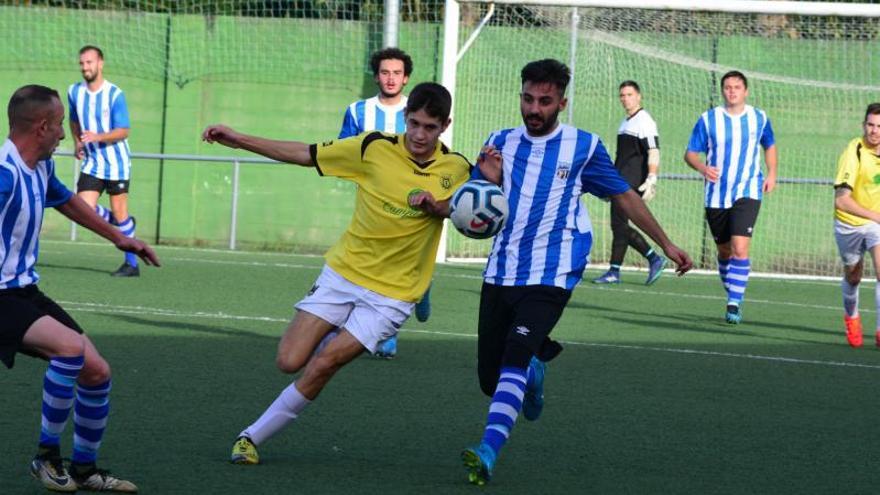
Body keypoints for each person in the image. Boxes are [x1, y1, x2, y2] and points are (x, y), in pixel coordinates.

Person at [201, 82, 471, 466]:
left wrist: (440, 207)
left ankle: (250, 438)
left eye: (430, 127)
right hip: (344, 273)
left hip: (394, 294)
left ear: (445, 125)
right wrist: (238, 139)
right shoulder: (372, 147)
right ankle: (334, 324)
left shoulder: (458, 169)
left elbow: (473, 211)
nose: (419, 135)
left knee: (324, 363)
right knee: (289, 360)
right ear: (405, 117)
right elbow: (304, 154)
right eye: (414, 123)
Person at [459, 59, 693, 485]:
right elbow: (479, 213)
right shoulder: (498, 142)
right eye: (528, 99)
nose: (534, 108)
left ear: (561, 103)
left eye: (545, 101)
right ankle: (534, 369)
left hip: (555, 267)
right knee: (491, 382)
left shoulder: (583, 147)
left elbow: (624, 197)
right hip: (502, 268)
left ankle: (488, 449)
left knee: (515, 351)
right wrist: (486, 178)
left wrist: (666, 243)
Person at [1, 85, 160, 493]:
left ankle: (85, 470)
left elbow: (69, 202)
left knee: (96, 371)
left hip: (24, 291)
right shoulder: (4, 173)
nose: (64, 135)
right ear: (41, 127)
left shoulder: (39, 168)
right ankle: (46, 457)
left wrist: (119, 238)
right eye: (58, 127)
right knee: (70, 350)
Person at [338, 47, 429, 359]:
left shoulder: (416, 111)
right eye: (385, 72)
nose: (391, 78)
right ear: (376, 75)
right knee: (375, 259)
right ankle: (395, 313)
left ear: (406, 78)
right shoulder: (357, 110)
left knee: (399, 259)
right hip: (373, 200)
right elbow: (345, 149)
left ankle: (389, 331)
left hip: (412, 198)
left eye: (397, 73)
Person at [684, 70, 778, 324]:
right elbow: (690, 153)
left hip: (748, 190)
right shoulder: (708, 119)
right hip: (716, 195)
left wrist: (772, 173)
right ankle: (734, 289)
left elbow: (769, 144)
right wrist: (703, 168)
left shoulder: (759, 118)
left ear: (745, 91)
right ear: (722, 91)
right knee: (724, 251)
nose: (732, 91)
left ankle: (734, 303)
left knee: (740, 247)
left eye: (737, 87)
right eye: (727, 87)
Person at [68, 45, 139, 277]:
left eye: (89, 62)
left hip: (116, 163)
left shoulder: (115, 94)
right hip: (92, 162)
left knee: (120, 214)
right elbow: (74, 120)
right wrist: (77, 141)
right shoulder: (74, 92)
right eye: (82, 63)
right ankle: (125, 224)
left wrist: (98, 136)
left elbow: (123, 131)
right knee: (82, 208)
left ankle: (132, 264)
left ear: (100, 63)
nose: (85, 67)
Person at [593, 80, 668, 285]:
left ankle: (653, 258)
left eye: (629, 95)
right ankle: (615, 271)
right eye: (622, 95)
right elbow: (622, 157)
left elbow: (653, 151)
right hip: (619, 181)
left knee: (619, 225)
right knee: (619, 226)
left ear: (639, 96)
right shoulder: (625, 122)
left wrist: (652, 177)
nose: (625, 99)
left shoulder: (645, 121)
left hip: (631, 182)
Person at [832, 103, 880, 348]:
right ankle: (851, 317)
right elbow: (841, 201)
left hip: (876, 224)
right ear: (864, 126)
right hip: (850, 223)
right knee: (853, 276)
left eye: (879, 126)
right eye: (871, 125)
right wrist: (874, 214)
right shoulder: (854, 150)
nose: (875, 131)